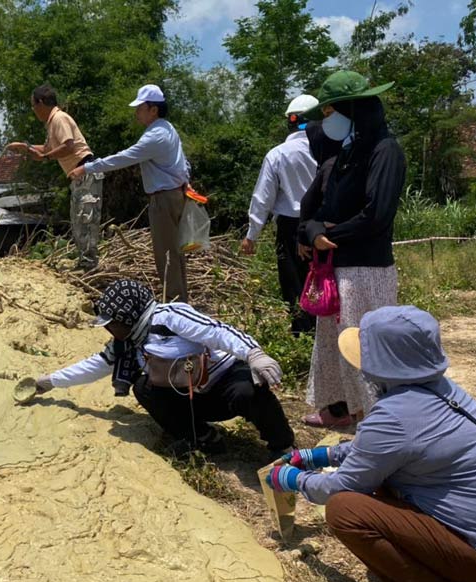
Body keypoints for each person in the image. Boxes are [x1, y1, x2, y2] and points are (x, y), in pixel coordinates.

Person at [265, 306, 476, 582]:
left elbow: (339, 487)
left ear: (384, 364)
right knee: (379, 485)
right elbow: (379, 451)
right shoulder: (440, 391)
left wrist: (292, 480)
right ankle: (440, 569)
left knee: (346, 510)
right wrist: (320, 454)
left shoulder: (395, 416)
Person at [35, 279, 295, 457]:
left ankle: (283, 447)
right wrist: (50, 381)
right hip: (190, 396)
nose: (108, 329)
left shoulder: (170, 317)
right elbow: (95, 366)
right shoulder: (127, 343)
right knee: (143, 388)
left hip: (224, 383)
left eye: (111, 322)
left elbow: (217, 332)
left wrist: (254, 353)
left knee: (249, 392)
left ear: (128, 316)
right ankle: (203, 438)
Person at [296, 71, 406, 428]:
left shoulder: (385, 151)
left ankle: (376, 422)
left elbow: (376, 214)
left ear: (352, 111)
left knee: (363, 348)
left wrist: (331, 232)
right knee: (338, 346)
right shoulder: (347, 154)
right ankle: (348, 411)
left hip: (365, 271)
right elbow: (321, 207)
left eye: (331, 113)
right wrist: (313, 230)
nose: (327, 122)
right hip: (339, 269)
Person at [68, 85, 191, 303]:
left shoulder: (155, 137)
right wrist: (184, 181)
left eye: (140, 108)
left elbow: (123, 158)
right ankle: (180, 302)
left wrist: (87, 168)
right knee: (175, 251)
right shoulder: (167, 129)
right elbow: (183, 162)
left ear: (153, 109)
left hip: (163, 198)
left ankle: (174, 305)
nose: (137, 113)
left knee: (166, 254)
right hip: (175, 195)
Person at [240, 93, 320, 336]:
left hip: (291, 229)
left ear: (290, 120)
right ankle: (325, 334)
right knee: (326, 281)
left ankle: (302, 334)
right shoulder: (332, 150)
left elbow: (263, 198)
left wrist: (251, 235)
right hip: (326, 226)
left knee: (294, 285)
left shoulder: (278, 154)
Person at [7, 85, 103, 271]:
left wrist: (46, 157)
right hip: (78, 174)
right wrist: (25, 147)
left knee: (86, 218)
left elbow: (68, 145)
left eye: (33, 106)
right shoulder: (52, 123)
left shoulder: (59, 118)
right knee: (78, 219)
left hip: (85, 171)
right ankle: (86, 262)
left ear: (41, 103)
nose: (34, 111)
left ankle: (89, 264)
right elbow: (47, 149)